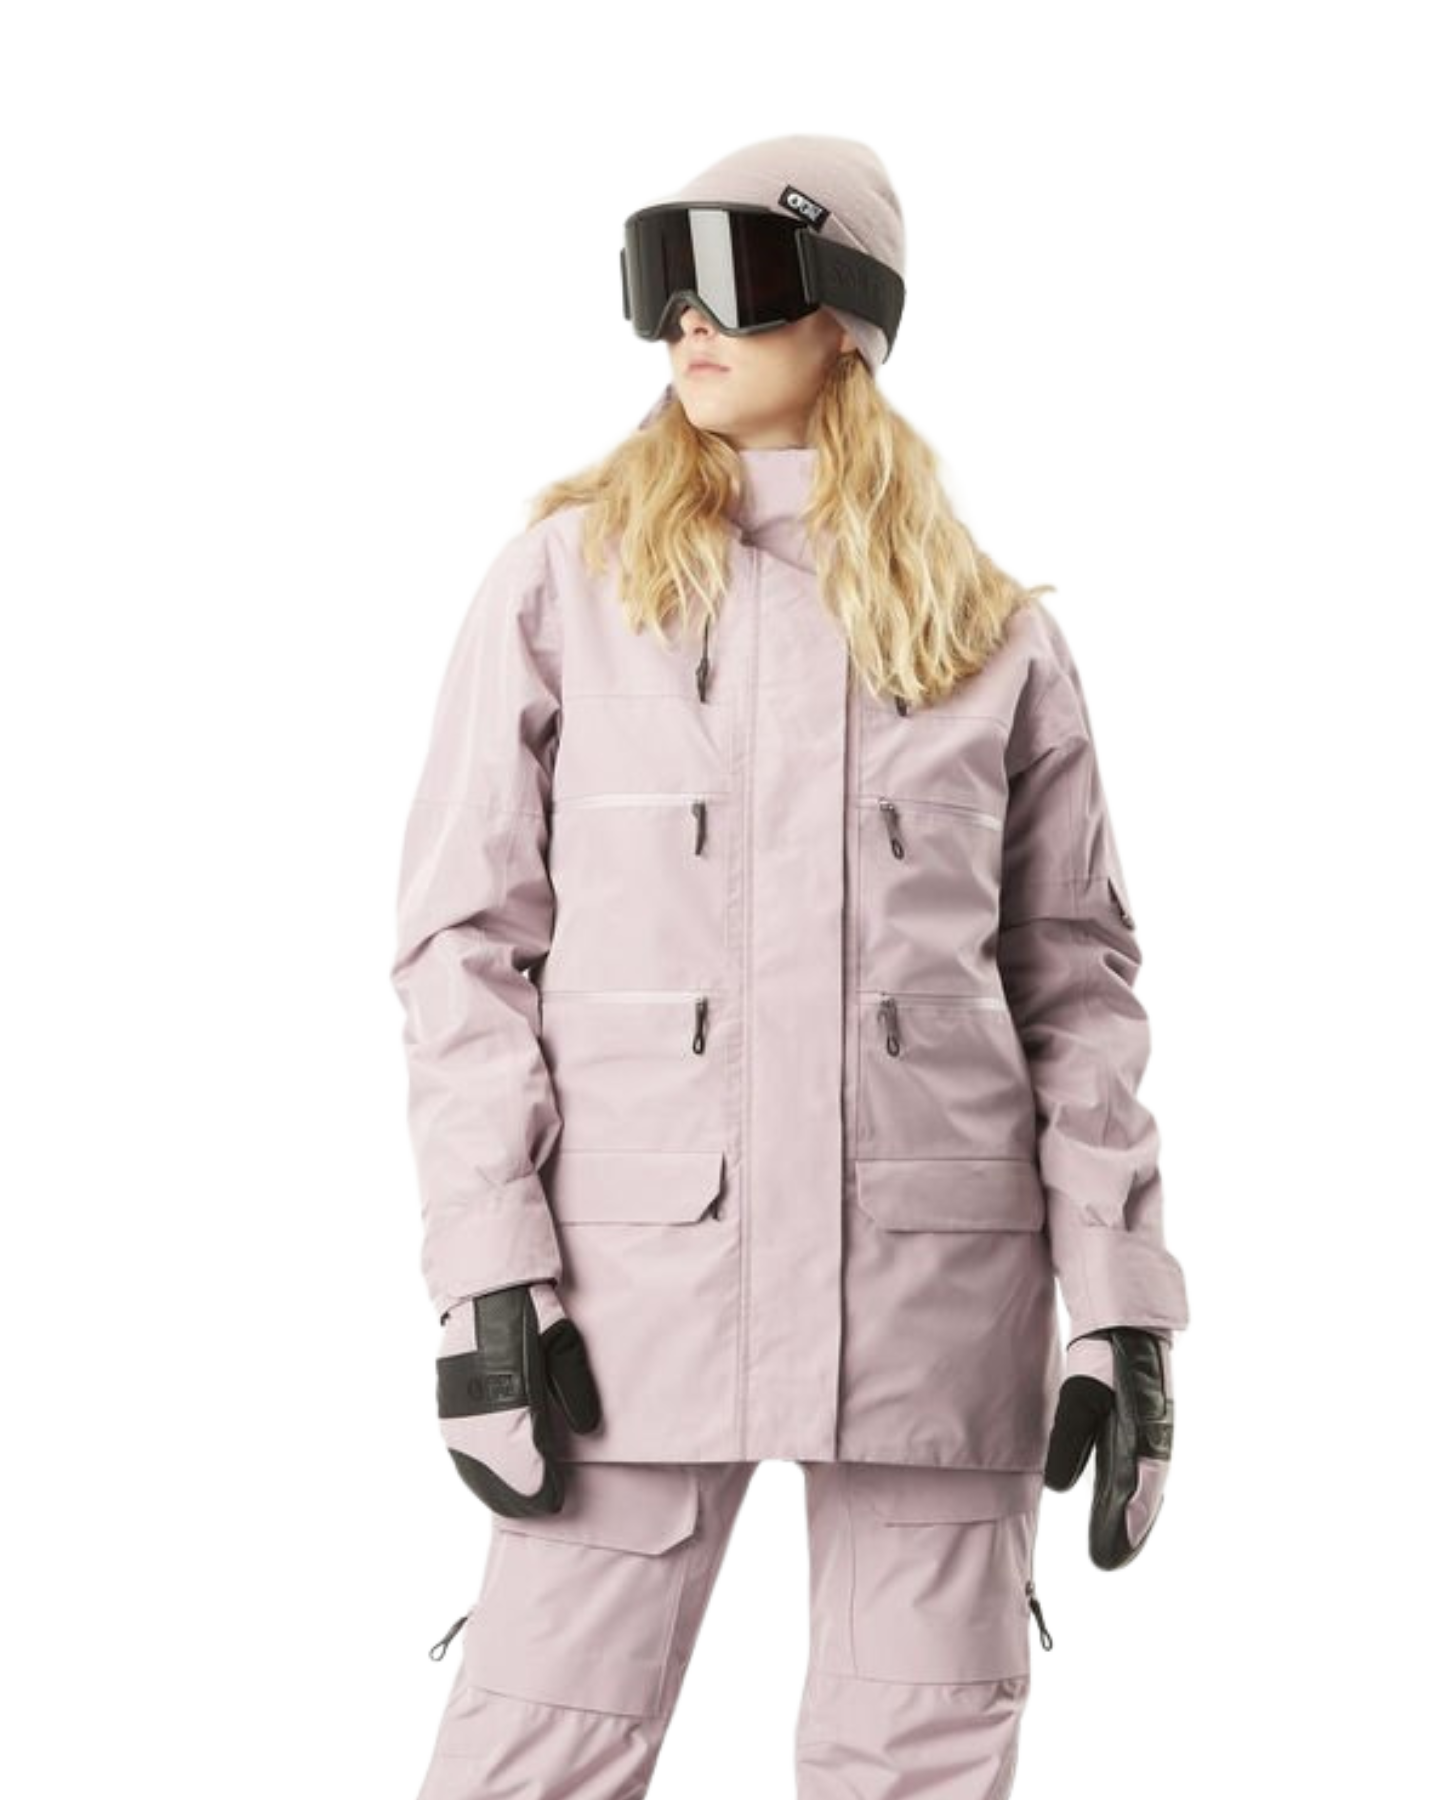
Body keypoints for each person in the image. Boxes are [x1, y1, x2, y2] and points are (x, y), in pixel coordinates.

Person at [385, 129, 1194, 1800]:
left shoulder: (994, 626)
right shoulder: (566, 575)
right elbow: (461, 947)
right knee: (537, 1751)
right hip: (626, 1302)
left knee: (923, 1763)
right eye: (659, 281)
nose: (688, 322)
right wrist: (485, 1276)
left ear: (850, 316)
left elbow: (1077, 991)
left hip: (936, 1301)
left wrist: (1122, 1310)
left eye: (737, 279)